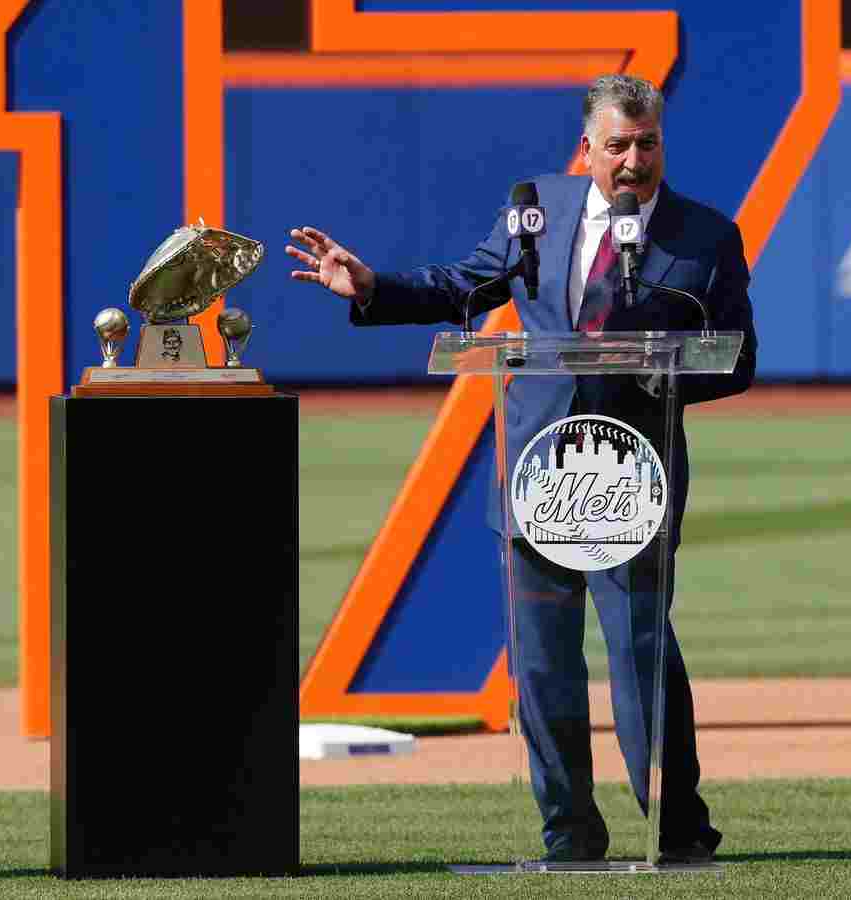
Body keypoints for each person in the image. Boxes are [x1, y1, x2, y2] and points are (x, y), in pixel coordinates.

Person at [286, 74, 754, 863]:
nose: (633, 160)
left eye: (647, 144)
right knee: (541, 665)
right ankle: (570, 835)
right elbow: (466, 283)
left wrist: (659, 372)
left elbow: (738, 360)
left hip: (630, 481)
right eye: (617, 146)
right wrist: (371, 288)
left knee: (642, 657)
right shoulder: (537, 209)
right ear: (587, 149)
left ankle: (677, 830)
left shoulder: (705, 235)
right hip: (538, 476)